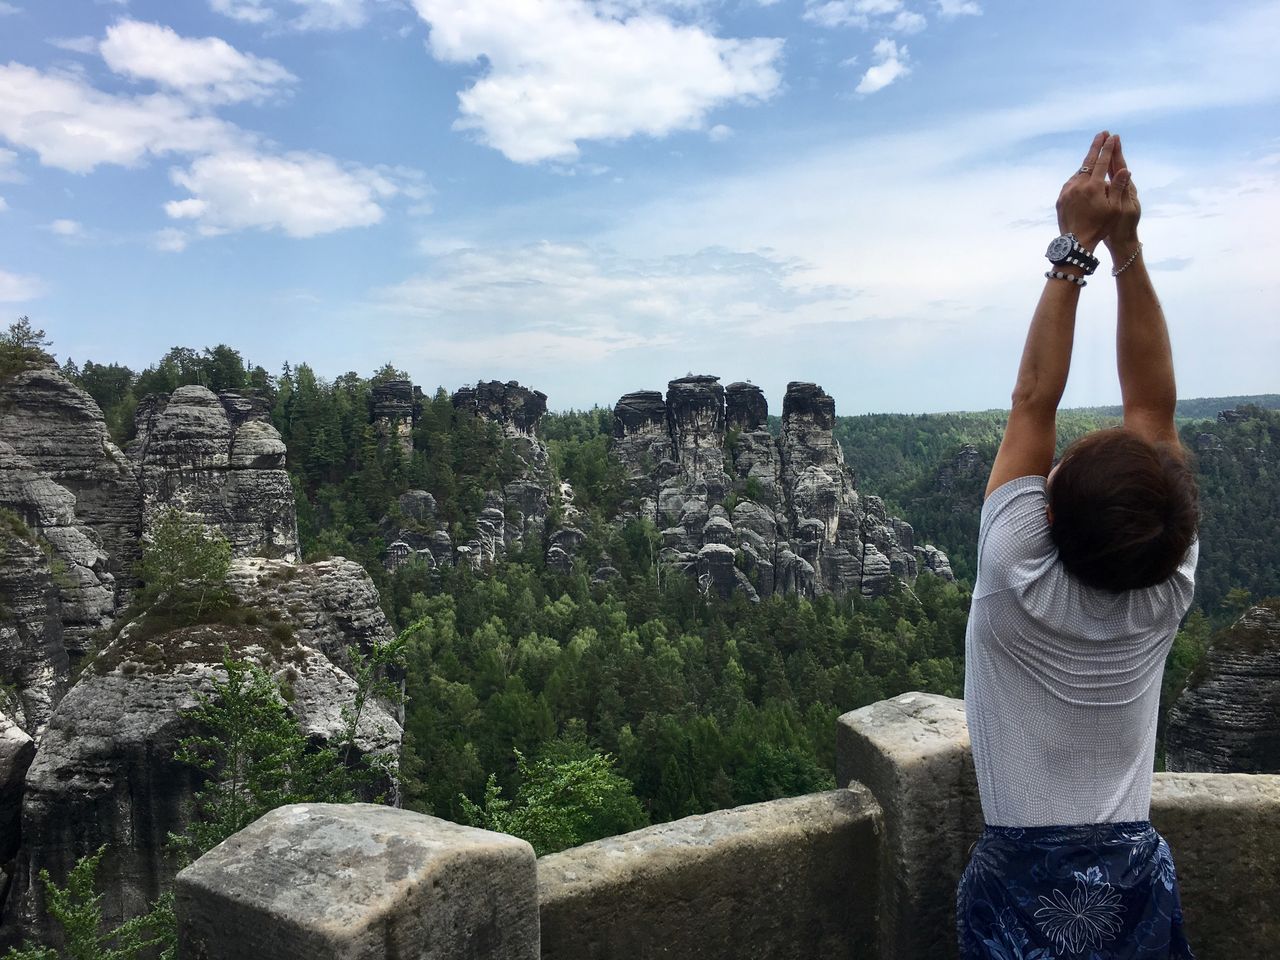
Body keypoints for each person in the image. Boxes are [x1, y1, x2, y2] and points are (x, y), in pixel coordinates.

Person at [956, 131, 1200, 960]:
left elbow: (1034, 401)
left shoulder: (1015, 575)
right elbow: (1154, 413)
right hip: (1136, 879)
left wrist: (1074, 251)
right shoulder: (1166, 576)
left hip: (1020, 886)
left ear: (1051, 518)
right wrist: (1126, 250)